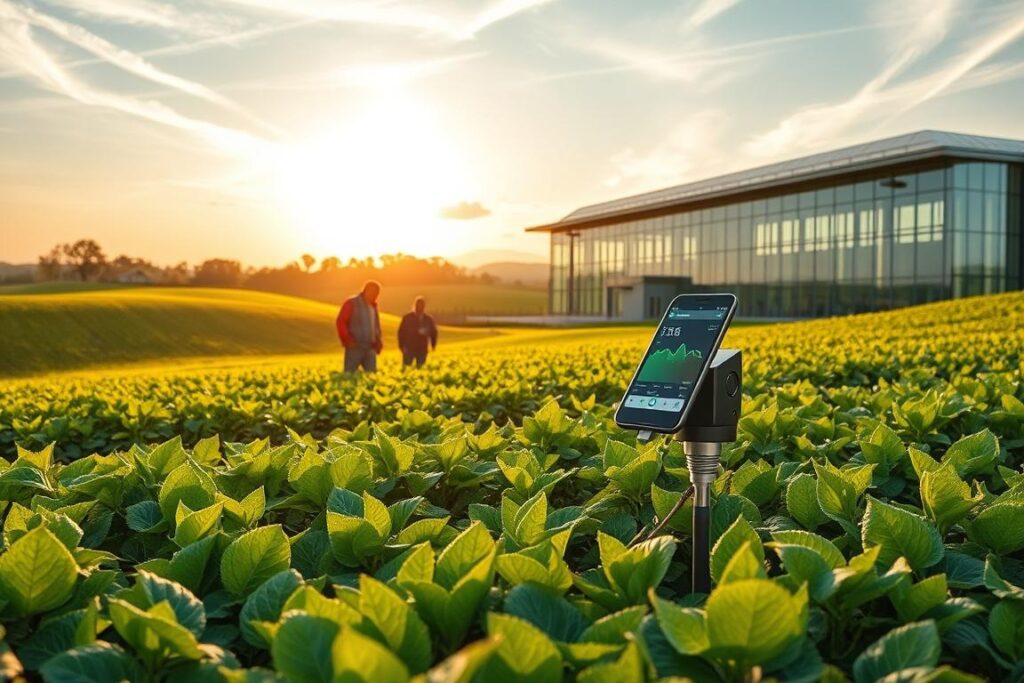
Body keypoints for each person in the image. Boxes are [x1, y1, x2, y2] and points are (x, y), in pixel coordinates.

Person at [336, 280, 383, 373]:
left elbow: (376, 326)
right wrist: (347, 339)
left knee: (371, 375)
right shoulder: (351, 303)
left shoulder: (373, 306)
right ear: (366, 291)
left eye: (377, 293)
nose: (375, 296)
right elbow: (341, 322)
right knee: (349, 374)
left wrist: (378, 341)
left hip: (370, 347)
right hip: (354, 347)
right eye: (373, 293)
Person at [397, 296, 438, 368]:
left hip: (422, 347)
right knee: (406, 368)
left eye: (422, 305)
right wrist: (401, 346)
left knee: (421, 368)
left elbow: (433, 332)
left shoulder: (428, 319)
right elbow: (401, 332)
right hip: (409, 347)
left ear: (424, 306)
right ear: (414, 305)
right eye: (418, 305)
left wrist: (433, 344)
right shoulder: (407, 318)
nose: (420, 307)